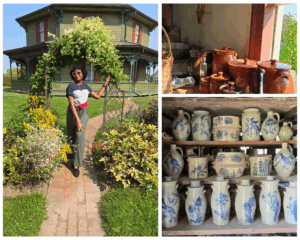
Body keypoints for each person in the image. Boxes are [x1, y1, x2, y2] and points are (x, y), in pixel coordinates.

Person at [66, 65, 110, 177]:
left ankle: (76, 165)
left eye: (79, 73)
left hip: (84, 112)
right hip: (73, 112)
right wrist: (77, 121)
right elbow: (71, 105)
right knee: (71, 135)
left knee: (79, 135)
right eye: (74, 73)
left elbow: (98, 96)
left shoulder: (86, 86)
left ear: (83, 74)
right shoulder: (70, 86)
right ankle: (71, 158)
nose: (77, 75)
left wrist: (105, 84)